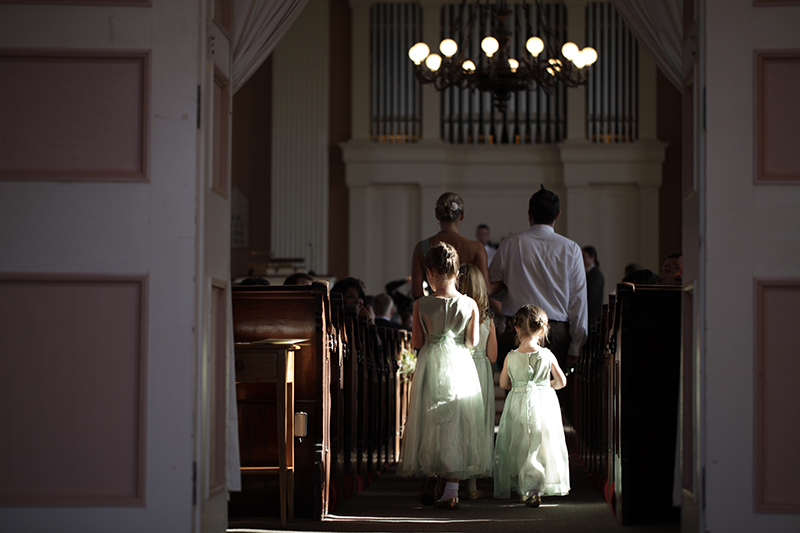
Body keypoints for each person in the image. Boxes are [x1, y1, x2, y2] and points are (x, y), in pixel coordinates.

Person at [397, 242, 492, 510]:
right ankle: (451, 489)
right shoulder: (470, 304)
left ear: (430, 273)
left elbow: (416, 341)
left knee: (429, 416)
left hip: (431, 363)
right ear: (457, 272)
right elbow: (473, 342)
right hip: (460, 364)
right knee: (458, 419)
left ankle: (430, 472)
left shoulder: (421, 304)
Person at [488, 185, 587, 376]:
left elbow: (493, 287)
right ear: (557, 214)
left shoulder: (511, 244)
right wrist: (576, 344)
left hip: (517, 330)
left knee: (516, 396)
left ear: (529, 214)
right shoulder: (571, 249)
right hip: (554, 333)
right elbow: (578, 300)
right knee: (552, 399)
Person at [494, 305, 570, 507]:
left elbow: (503, 384)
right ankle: (535, 488)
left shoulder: (511, 356)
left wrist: (519, 386)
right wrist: (546, 386)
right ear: (543, 330)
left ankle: (523, 487)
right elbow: (562, 382)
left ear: (516, 329)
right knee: (540, 442)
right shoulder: (547, 355)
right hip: (544, 403)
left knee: (520, 442)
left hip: (519, 402)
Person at [457, 263, 498, 500]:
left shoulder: (454, 315)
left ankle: (448, 478)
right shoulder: (487, 320)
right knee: (478, 424)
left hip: (458, 368)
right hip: (480, 370)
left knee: (457, 421)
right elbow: (493, 357)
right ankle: (472, 487)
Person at [411, 192, 490, 301]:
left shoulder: (421, 248)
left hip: (434, 314)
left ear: (437, 215)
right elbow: (485, 289)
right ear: (462, 215)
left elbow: (416, 292)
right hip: (468, 314)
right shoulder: (477, 248)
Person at [582, 245, 605, 328]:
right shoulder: (588, 274)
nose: (582, 258)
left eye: (584, 256)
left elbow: (591, 297)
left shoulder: (596, 275)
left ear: (592, 257)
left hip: (592, 317)